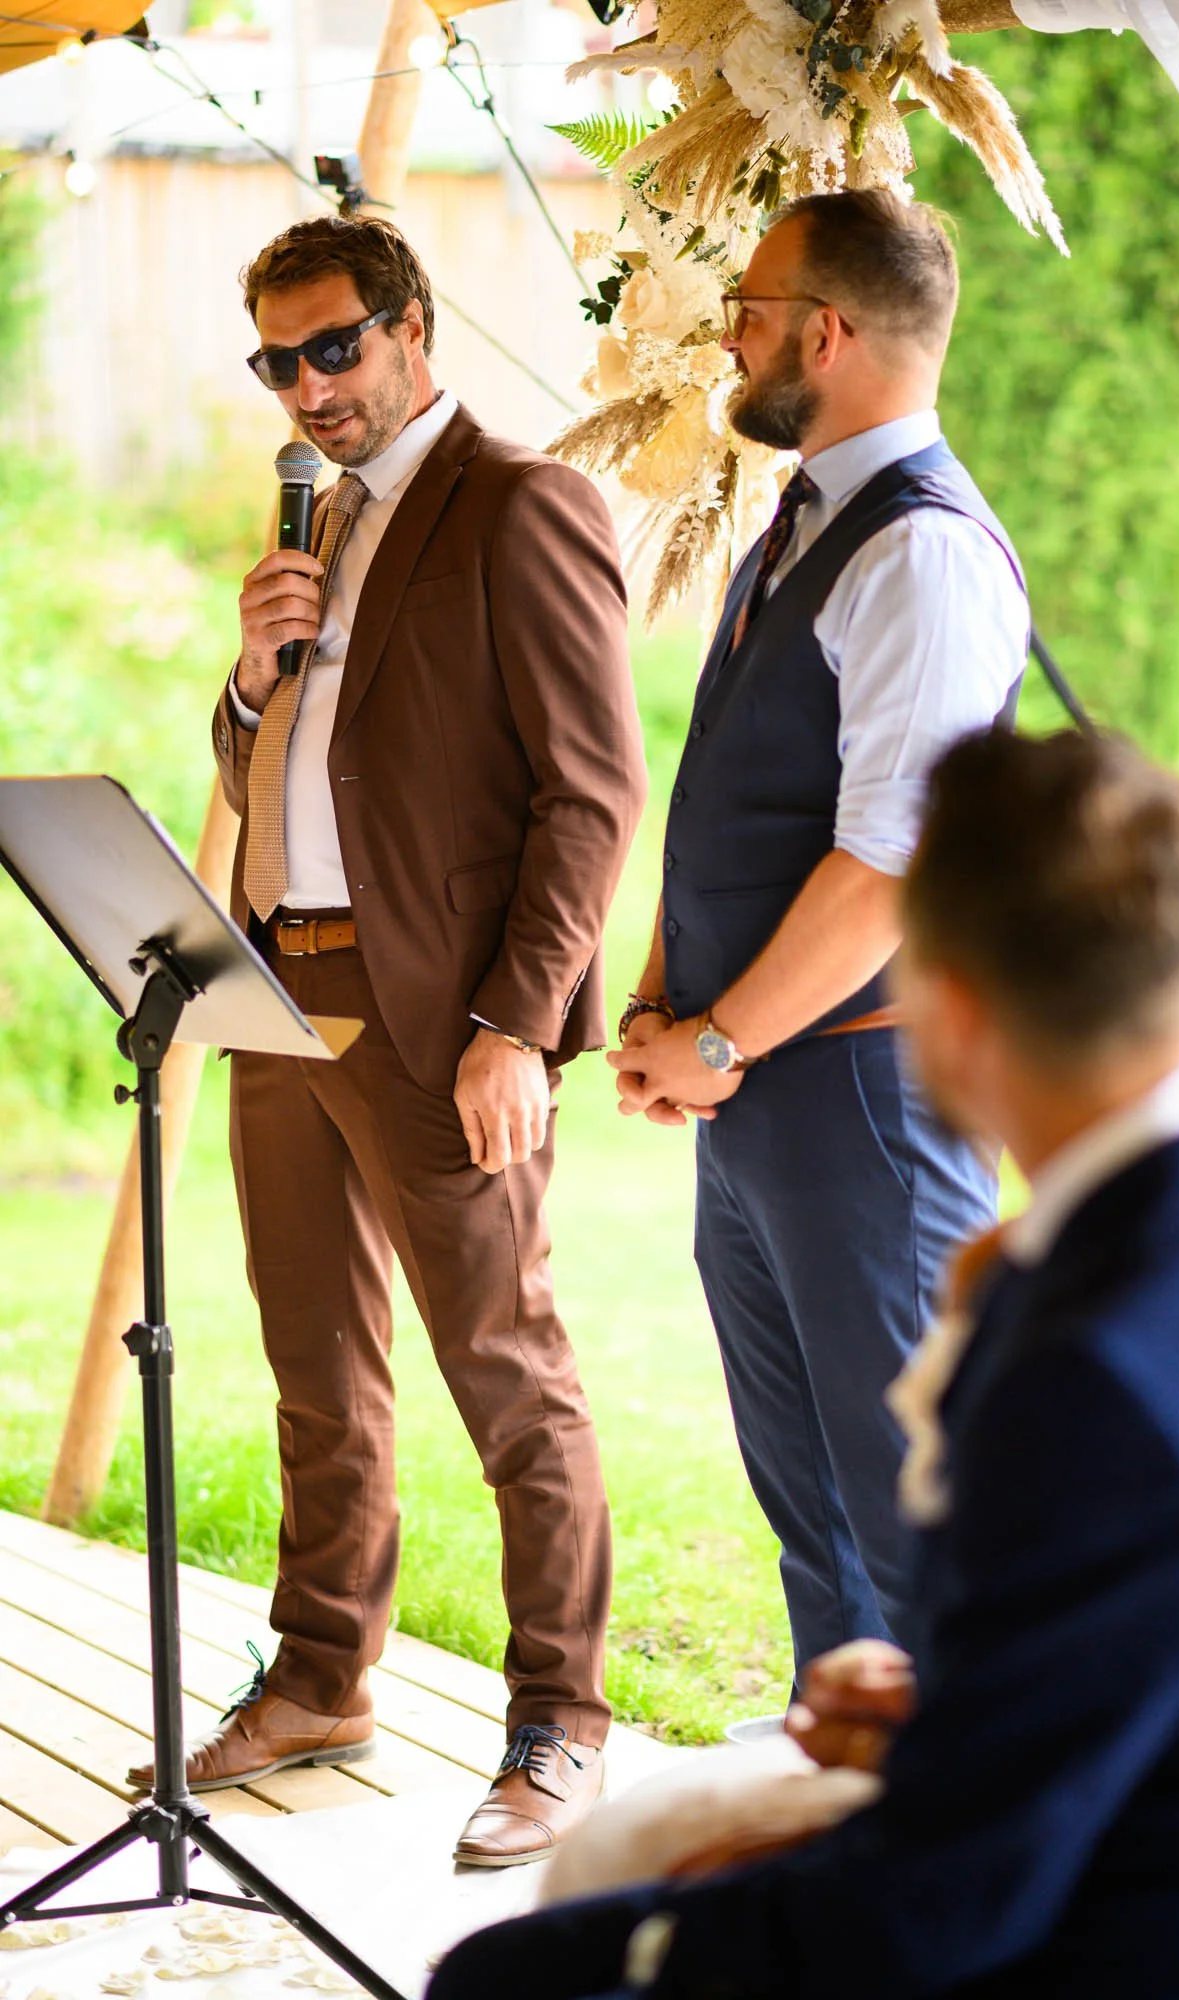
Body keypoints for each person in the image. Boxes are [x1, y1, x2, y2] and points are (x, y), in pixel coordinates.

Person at [432, 727, 1179, 1998]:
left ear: (948, 1004)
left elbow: (934, 1904)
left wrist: (618, 1956)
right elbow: (1178, 1632)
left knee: (503, 1970)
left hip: (1108, 1944)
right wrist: (956, 1693)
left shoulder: (1096, 1374)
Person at [127, 215, 648, 1869]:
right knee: (314, 1367)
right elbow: (259, 770)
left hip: (443, 1022)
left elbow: (591, 792)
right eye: (277, 362)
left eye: (332, 347)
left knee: (505, 1371)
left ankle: (560, 1724)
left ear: (413, 328)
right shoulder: (316, 529)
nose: (308, 387)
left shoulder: (522, 504)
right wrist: (246, 668)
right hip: (278, 994)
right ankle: (323, 1675)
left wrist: (517, 1024)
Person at [608, 188, 1030, 1678]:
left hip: (860, 1090)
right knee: (816, 1513)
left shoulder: (919, 554)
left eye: (752, 306)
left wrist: (717, 1039)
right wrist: (665, 1000)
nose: (731, 333)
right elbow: (731, 786)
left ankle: (974, 1860)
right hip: (755, 1088)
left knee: (917, 1508)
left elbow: (885, 867)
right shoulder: (804, 523)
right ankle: (845, 1812)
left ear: (828, 333)